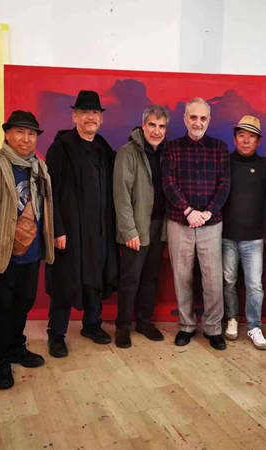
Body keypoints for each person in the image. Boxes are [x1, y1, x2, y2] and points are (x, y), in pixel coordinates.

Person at [0, 110, 55, 389]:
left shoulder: (39, 167)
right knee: (2, 307)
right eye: (20, 132)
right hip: (3, 252)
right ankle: (2, 360)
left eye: (31, 133)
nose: (26, 138)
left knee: (24, 303)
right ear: (7, 134)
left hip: (32, 251)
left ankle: (16, 347)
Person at [45, 90, 118, 357]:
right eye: (85, 112)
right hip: (71, 231)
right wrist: (58, 229)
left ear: (101, 118)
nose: (91, 117)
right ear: (74, 116)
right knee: (65, 281)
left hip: (99, 230)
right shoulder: (60, 148)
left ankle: (92, 324)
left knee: (95, 277)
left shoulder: (104, 149)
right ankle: (56, 334)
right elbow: (49, 192)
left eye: (95, 113)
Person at [162, 97, 230, 350]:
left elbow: (225, 184)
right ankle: (186, 325)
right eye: (193, 117)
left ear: (209, 120)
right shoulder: (172, 147)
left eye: (203, 118)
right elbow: (168, 182)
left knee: (213, 279)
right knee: (182, 276)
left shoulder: (219, 148)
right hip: (180, 222)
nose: (198, 122)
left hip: (211, 223)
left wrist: (208, 212)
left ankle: (213, 328)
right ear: (185, 119)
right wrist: (188, 211)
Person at [113, 105, 169, 348]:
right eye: (152, 125)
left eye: (161, 126)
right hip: (136, 228)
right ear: (143, 125)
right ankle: (123, 325)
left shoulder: (167, 153)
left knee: (151, 277)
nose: (157, 131)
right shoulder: (127, 153)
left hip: (159, 226)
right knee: (130, 279)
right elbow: (121, 195)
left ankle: (144, 322)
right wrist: (129, 231)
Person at [222, 115, 266, 350]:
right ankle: (232, 319)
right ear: (235, 139)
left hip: (253, 238)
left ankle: (254, 326)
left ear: (258, 141)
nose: (245, 140)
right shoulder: (224, 162)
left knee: (254, 285)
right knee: (229, 281)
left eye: (251, 136)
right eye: (241, 135)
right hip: (226, 235)